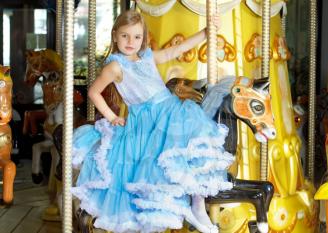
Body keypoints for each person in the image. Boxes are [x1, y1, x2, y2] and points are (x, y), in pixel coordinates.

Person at [72, 10, 234, 233]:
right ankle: (163, 217)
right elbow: (93, 92)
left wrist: (206, 33)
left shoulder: (147, 56)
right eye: (125, 36)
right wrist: (112, 117)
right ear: (115, 35)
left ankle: (197, 206)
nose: (131, 42)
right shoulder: (115, 66)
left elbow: (175, 51)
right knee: (152, 174)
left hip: (169, 110)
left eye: (137, 37)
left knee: (194, 146)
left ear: (143, 38)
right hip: (146, 123)